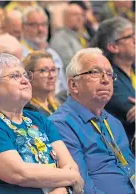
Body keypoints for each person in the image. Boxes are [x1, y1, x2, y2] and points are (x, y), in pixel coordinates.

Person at [0, 53, 84, 194]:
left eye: (25, 75)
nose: (25, 81)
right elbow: (20, 173)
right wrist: (70, 178)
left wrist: (62, 188)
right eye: (15, 76)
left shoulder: (38, 119)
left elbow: (70, 166)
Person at [49, 48, 135, 194]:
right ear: (73, 85)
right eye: (95, 72)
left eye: (109, 74)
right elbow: (80, 186)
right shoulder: (60, 124)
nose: (106, 80)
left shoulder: (113, 122)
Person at [94, 16, 135, 144]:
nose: (135, 39)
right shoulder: (109, 78)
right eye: (129, 37)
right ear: (113, 47)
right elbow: (132, 113)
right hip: (125, 148)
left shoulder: (133, 67)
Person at [21, 7, 66, 94]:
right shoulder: (19, 53)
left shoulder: (53, 54)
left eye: (44, 24)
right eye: (34, 25)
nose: (40, 29)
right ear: (23, 27)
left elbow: (63, 88)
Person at [23, 51, 60, 117]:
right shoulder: (26, 110)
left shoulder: (57, 104)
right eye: (44, 70)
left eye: (53, 70)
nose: (51, 76)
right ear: (29, 75)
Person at [50, 3, 86, 70]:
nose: (79, 18)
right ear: (65, 18)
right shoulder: (60, 38)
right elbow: (70, 66)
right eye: (75, 15)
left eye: (82, 15)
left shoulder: (81, 36)